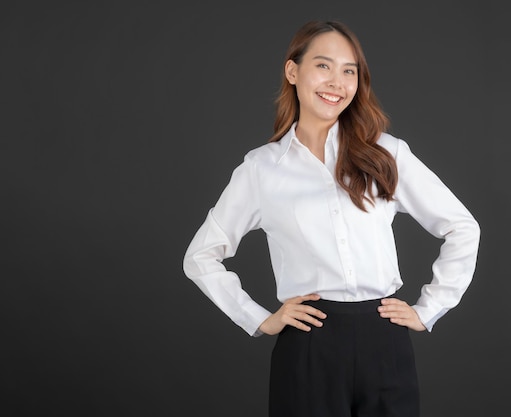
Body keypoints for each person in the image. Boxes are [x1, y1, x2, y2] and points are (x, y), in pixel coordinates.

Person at [182, 20, 480, 417]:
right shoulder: (262, 169)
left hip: (385, 341)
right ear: (293, 72)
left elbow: (462, 227)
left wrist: (429, 309)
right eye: (323, 66)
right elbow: (200, 256)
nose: (336, 82)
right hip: (309, 345)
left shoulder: (385, 154)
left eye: (349, 71)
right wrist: (259, 319)